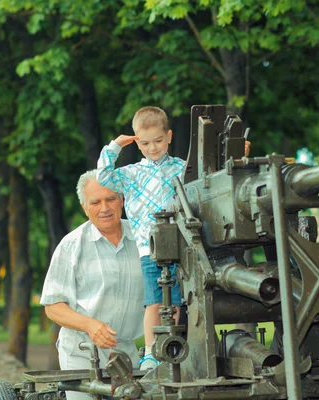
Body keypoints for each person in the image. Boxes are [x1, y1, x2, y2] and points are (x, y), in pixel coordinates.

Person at [96, 106, 250, 370]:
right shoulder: (131, 174)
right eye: (145, 143)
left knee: (177, 301)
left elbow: (212, 180)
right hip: (151, 249)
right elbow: (103, 176)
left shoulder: (182, 168)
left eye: (158, 140)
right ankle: (151, 354)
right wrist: (114, 147)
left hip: (182, 247)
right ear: (137, 142)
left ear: (168, 136)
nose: (153, 147)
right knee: (155, 301)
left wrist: (237, 156)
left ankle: (174, 347)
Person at [40, 170, 144, 400]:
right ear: (84, 207)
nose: (104, 208)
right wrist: (90, 325)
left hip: (128, 355)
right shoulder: (71, 246)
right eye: (95, 202)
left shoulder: (143, 238)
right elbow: (53, 306)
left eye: (111, 199)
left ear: (122, 200)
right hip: (81, 355)